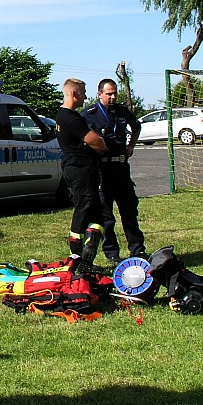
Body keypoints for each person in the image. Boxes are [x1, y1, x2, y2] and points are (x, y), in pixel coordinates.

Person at [82, 78, 147, 264]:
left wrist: (131, 145)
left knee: (129, 210)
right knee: (105, 214)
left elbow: (137, 126)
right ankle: (111, 252)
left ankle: (138, 250)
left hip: (121, 166)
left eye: (114, 93)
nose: (112, 97)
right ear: (99, 94)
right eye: (108, 93)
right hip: (103, 168)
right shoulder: (90, 114)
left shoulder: (122, 111)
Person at [55, 78, 108, 270]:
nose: (86, 97)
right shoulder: (70, 117)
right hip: (80, 170)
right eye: (84, 93)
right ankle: (77, 258)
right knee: (84, 210)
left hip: (81, 169)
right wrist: (100, 143)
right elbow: (96, 141)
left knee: (96, 215)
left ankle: (87, 259)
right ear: (74, 94)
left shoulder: (64, 116)